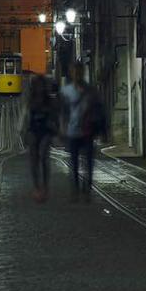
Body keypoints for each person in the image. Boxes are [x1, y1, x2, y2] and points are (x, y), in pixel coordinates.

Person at [59, 63, 106, 200]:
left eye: (79, 72)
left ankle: (87, 189)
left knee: (88, 162)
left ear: (83, 72)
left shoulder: (91, 91)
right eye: (75, 72)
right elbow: (62, 112)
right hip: (72, 131)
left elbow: (99, 110)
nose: (77, 74)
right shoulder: (66, 91)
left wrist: (102, 129)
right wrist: (62, 128)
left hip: (88, 131)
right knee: (73, 162)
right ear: (71, 73)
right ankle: (75, 189)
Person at [22, 72, 54, 201]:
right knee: (34, 160)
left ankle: (45, 187)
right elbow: (25, 117)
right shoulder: (30, 100)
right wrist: (24, 131)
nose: (40, 88)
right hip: (33, 131)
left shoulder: (49, 100)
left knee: (44, 157)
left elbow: (54, 117)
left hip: (46, 132)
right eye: (37, 85)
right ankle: (37, 187)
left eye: (41, 85)